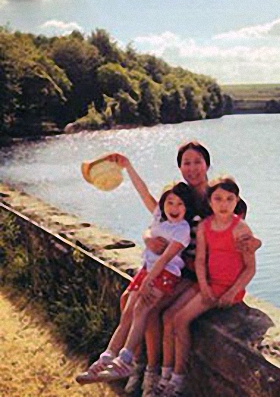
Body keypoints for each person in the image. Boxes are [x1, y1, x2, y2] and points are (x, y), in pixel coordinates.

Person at [110, 141, 261, 396]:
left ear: (207, 164)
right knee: (128, 300)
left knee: (152, 307)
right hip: (174, 267)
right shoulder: (181, 197)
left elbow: (237, 241)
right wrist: (147, 236)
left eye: (197, 162)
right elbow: (156, 215)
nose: (192, 168)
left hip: (194, 275)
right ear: (180, 167)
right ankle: (138, 365)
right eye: (186, 163)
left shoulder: (222, 198)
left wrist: (255, 243)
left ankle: (154, 373)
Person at [75, 168, 196, 385]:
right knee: (128, 312)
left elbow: (166, 257)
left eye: (180, 204)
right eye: (170, 202)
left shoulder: (182, 229)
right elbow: (142, 191)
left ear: (186, 208)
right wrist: (127, 166)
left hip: (165, 273)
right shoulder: (159, 218)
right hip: (146, 271)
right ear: (163, 204)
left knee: (142, 308)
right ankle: (105, 359)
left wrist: (149, 281)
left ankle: (126, 359)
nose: (174, 208)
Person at [155, 176, 257, 397]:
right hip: (208, 284)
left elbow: (250, 268)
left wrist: (231, 292)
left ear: (236, 201)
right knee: (168, 317)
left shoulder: (240, 228)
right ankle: (165, 373)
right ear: (210, 202)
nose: (224, 204)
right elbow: (200, 260)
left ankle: (179, 379)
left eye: (229, 199)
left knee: (181, 319)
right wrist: (203, 285)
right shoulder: (204, 226)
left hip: (227, 288)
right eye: (218, 199)